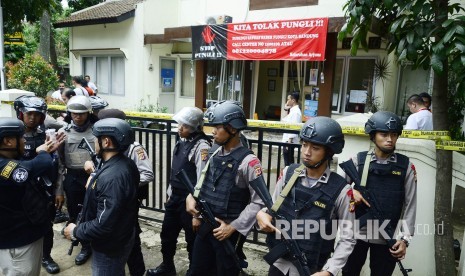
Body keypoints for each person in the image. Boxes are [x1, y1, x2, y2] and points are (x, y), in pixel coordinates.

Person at [256, 117, 356, 276]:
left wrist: (330, 271)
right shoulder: (289, 173)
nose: (306, 152)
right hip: (279, 264)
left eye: (315, 148)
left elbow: (348, 238)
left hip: (312, 269)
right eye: (304, 145)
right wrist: (262, 214)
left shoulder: (341, 190)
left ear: (329, 152)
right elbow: (272, 208)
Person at [185, 100, 265, 276]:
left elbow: (259, 202)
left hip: (229, 233)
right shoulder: (214, 152)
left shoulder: (249, 162)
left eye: (218, 127)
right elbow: (202, 184)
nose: (213, 132)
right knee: (196, 271)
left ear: (233, 129)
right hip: (206, 226)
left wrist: (233, 227)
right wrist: (192, 201)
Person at [342, 111, 417, 276]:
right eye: (384, 134)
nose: (390, 139)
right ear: (373, 135)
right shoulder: (357, 161)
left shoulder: (406, 167)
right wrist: (351, 192)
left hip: (387, 237)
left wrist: (405, 240)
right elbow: (336, 191)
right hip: (356, 236)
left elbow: (410, 205)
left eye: (394, 134)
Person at [64, 118, 140, 275]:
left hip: (109, 246)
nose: (93, 143)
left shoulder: (112, 177)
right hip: (122, 235)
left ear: (106, 142)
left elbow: (103, 225)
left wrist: (76, 231)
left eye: (95, 139)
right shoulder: (125, 164)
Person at [88, 108, 154, 276]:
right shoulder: (104, 149)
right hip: (109, 202)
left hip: (127, 203)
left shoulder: (134, 148)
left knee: (132, 243)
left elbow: (147, 173)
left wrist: (125, 185)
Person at [147, 107, 211, 276]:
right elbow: (175, 172)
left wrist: (197, 215)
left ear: (196, 127)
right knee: (167, 235)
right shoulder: (182, 141)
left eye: (185, 126)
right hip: (175, 198)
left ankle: (193, 271)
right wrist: (169, 195)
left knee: (192, 240)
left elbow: (202, 181)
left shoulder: (202, 146)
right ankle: (167, 267)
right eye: (180, 124)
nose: (180, 128)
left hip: (190, 202)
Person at [0, 117, 62, 276]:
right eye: (21, 138)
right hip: (17, 246)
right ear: (8, 141)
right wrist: (42, 152)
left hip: (20, 238)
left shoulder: (7, 160)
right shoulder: (3, 167)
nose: (23, 141)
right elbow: (35, 167)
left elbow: (23, 165)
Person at [13, 95, 65, 274]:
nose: (32, 118)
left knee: (46, 226)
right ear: (20, 114)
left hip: (45, 191)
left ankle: (46, 256)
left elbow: (58, 164)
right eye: (29, 113)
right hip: (21, 192)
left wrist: (59, 190)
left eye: (37, 114)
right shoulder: (12, 137)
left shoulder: (47, 136)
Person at [57, 95, 98, 265]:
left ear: (88, 113)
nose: (77, 116)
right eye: (74, 113)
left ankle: (94, 244)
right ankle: (84, 246)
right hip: (73, 177)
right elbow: (59, 164)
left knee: (94, 213)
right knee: (75, 213)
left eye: (81, 113)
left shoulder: (97, 131)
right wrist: (59, 190)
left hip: (93, 177)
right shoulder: (63, 133)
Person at [281, 92, 302, 166]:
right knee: (287, 162)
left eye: (288, 99)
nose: (287, 101)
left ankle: (289, 176)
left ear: (293, 100)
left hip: (289, 141)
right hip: (287, 141)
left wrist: (289, 142)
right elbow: (284, 120)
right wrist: (286, 108)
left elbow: (294, 127)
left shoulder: (296, 112)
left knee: (289, 163)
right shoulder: (292, 110)